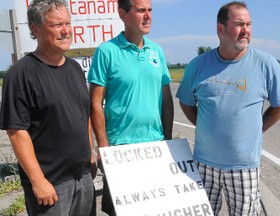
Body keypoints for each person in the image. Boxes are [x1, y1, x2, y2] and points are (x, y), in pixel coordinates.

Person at [176, 1, 280, 216]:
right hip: (204, 164)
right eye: (239, 24)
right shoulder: (198, 65)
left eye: (248, 24)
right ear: (221, 29)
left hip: (244, 166)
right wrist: (205, 125)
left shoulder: (266, 64)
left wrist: (258, 127)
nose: (246, 30)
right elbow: (187, 102)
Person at [0, 0, 96, 215]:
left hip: (83, 178)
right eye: (57, 25)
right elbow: (16, 131)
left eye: (68, 24)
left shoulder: (74, 69)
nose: (66, 31)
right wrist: (38, 180)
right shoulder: (21, 74)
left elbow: (84, 115)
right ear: (36, 29)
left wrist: (90, 153)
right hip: (51, 186)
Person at [88, 0, 174, 215]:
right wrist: (104, 149)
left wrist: (169, 141)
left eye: (150, 10)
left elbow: (166, 99)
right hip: (120, 148)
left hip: (154, 146)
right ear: (123, 15)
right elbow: (95, 103)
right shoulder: (107, 52)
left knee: (155, 208)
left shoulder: (157, 51)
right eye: (141, 10)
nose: (148, 16)